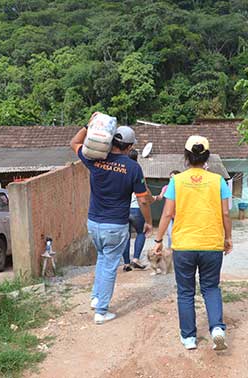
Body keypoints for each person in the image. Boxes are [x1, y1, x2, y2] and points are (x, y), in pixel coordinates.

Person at [153, 135, 233, 351]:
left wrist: (159, 240)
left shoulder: (176, 182)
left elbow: (167, 213)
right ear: (206, 157)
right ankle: (217, 328)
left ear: (186, 157)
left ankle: (189, 338)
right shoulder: (218, 181)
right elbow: (226, 212)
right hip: (211, 245)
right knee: (210, 288)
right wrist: (228, 238)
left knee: (186, 292)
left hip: (184, 246)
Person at [70, 120, 153, 324]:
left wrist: (88, 125)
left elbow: (74, 143)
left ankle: (96, 297)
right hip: (115, 225)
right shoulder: (133, 168)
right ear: (130, 147)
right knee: (109, 266)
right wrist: (149, 221)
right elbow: (143, 199)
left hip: (93, 223)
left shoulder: (95, 158)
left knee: (102, 258)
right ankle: (101, 311)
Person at [122, 149, 149, 271]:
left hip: (123, 209)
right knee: (140, 233)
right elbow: (144, 194)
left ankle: (126, 263)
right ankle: (136, 259)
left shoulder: (120, 170)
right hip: (137, 209)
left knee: (126, 236)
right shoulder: (137, 170)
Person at [155, 170, 181, 248]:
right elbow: (160, 197)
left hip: (180, 215)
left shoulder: (182, 187)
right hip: (170, 215)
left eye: (173, 177)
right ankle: (170, 251)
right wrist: (153, 197)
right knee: (170, 235)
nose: (171, 179)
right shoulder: (166, 187)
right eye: (170, 177)